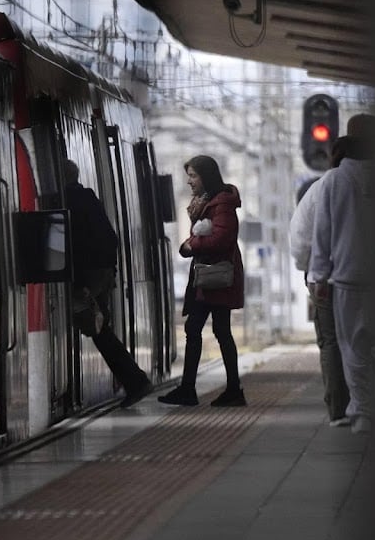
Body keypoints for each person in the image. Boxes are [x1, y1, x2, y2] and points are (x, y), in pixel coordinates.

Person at [308, 116, 375, 435]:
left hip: (347, 279)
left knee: (352, 348)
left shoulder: (333, 181)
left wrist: (318, 277)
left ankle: (363, 411)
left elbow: (322, 234)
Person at [64, 159, 153, 408]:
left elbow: (76, 247)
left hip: (88, 276)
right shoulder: (88, 198)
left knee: (98, 330)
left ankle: (136, 381)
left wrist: (83, 282)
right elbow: (110, 238)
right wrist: (109, 272)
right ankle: (135, 381)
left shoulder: (70, 202)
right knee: (101, 329)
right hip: (100, 274)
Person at [159, 155, 246, 407]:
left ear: (206, 177)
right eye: (189, 176)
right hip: (208, 276)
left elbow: (221, 239)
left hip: (215, 277)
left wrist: (191, 244)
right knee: (212, 330)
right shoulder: (209, 203)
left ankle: (196, 390)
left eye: (193, 176)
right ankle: (228, 389)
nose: (189, 182)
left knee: (203, 329)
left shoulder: (222, 205)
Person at [289, 136, 350, 427]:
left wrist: (310, 273)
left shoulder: (323, 187)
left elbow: (301, 237)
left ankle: (339, 409)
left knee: (331, 343)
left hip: (328, 280)